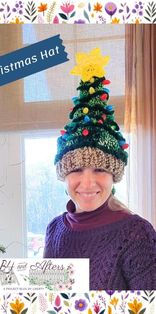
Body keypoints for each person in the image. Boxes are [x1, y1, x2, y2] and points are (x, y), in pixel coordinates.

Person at [43, 48, 156, 290]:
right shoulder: (54, 229)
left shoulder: (136, 233)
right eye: (76, 170)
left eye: (100, 170)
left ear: (114, 175)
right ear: (63, 174)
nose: (87, 183)